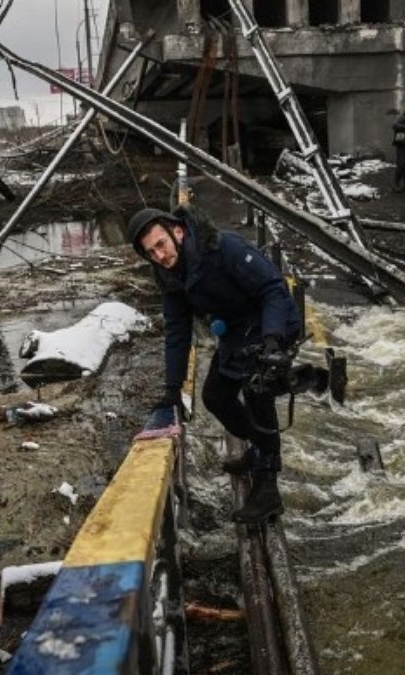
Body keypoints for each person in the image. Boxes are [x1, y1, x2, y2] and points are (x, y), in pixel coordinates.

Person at [128, 204, 303, 525]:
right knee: (215, 397)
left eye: (161, 245)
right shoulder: (169, 276)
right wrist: (172, 388)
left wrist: (273, 340)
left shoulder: (224, 247)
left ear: (176, 232)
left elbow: (273, 290)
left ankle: (268, 488)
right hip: (238, 330)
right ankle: (259, 448)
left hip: (271, 321)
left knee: (257, 390)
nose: (160, 256)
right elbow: (178, 332)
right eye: (150, 253)